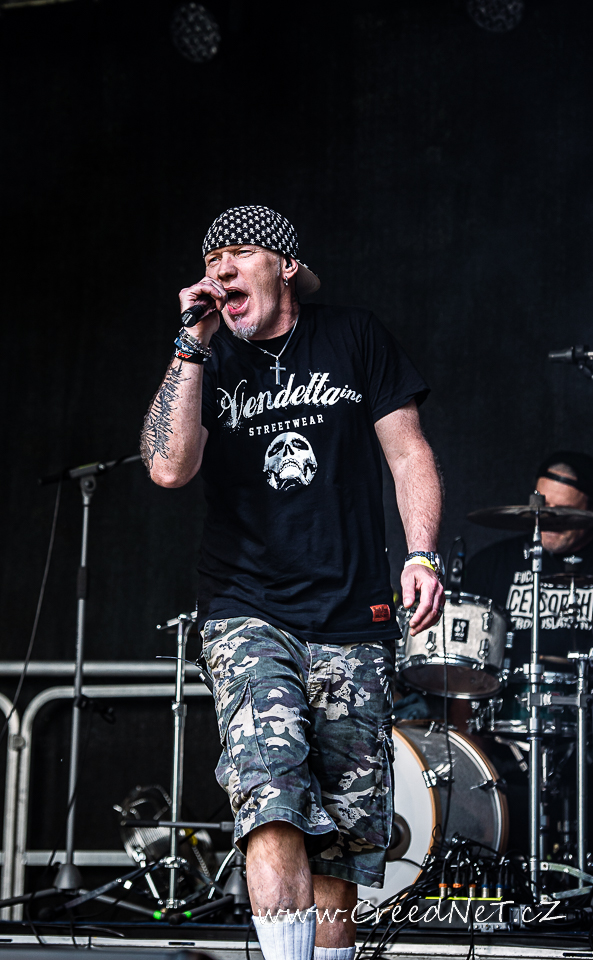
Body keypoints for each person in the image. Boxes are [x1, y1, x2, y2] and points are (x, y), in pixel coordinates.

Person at [140, 206, 444, 960]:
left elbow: (408, 453)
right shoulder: (205, 358)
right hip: (247, 609)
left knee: (342, 843)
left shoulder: (353, 336)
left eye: (239, 252)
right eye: (211, 258)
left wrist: (421, 555)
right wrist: (189, 344)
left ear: (284, 265)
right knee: (269, 798)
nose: (221, 268)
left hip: (352, 616)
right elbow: (167, 467)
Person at [465, 451, 593, 669]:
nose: (549, 518)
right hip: (507, 689)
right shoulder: (490, 564)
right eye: (543, 506)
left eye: (565, 510)